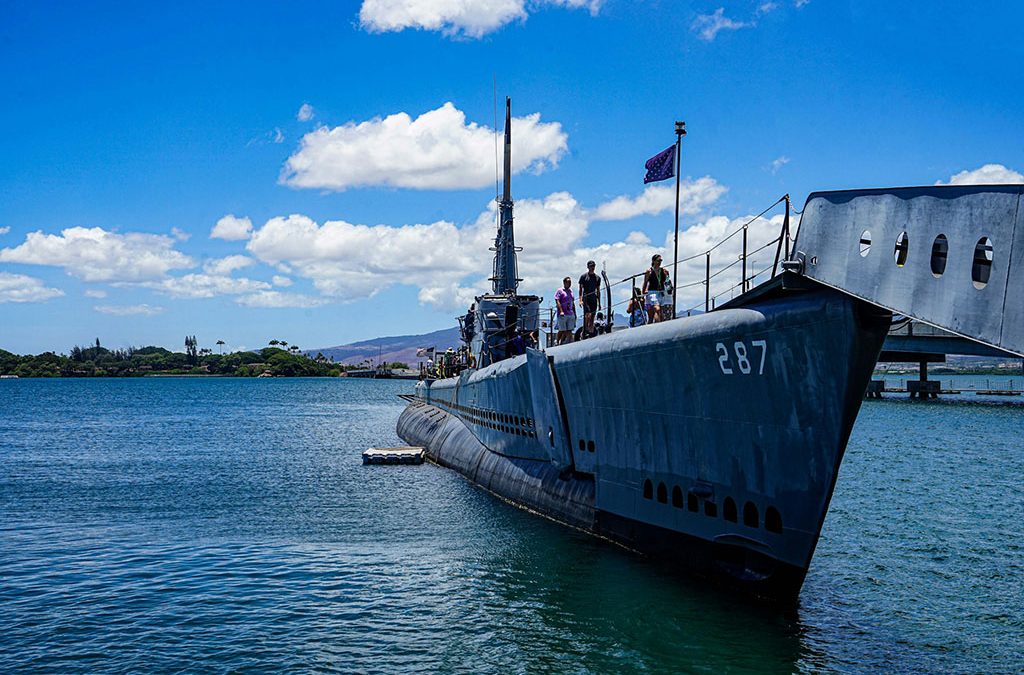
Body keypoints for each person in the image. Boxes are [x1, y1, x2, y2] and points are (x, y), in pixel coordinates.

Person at [642, 254, 670, 324]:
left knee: (658, 313)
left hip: (661, 292)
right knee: (657, 309)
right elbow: (645, 282)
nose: (660, 262)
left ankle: (654, 326)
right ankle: (658, 326)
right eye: (658, 260)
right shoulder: (649, 271)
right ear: (653, 261)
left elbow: (667, 281)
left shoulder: (663, 271)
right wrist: (643, 292)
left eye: (661, 260)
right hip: (652, 292)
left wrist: (667, 275)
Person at [578, 260, 601, 339]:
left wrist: (599, 302)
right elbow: (580, 289)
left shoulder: (597, 278)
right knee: (587, 315)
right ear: (588, 267)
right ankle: (584, 331)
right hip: (586, 298)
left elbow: (598, 290)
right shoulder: (584, 277)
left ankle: (590, 332)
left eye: (593, 266)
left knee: (592, 317)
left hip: (593, 298)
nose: (592, 268)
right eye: (591, 266)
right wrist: (580, 300)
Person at [554, 276, 576, 345]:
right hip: (563, 314)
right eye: (568, 282)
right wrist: (561, 311)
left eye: (570, 282)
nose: (569, 284)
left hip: (570, 313)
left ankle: (568, 342)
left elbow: (572, 302)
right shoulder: (560, 290)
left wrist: (574, 313)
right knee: (562, 330)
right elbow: (557, 300)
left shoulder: (571, 291)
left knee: (569, 329)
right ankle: (557, 341)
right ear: (564, 283)